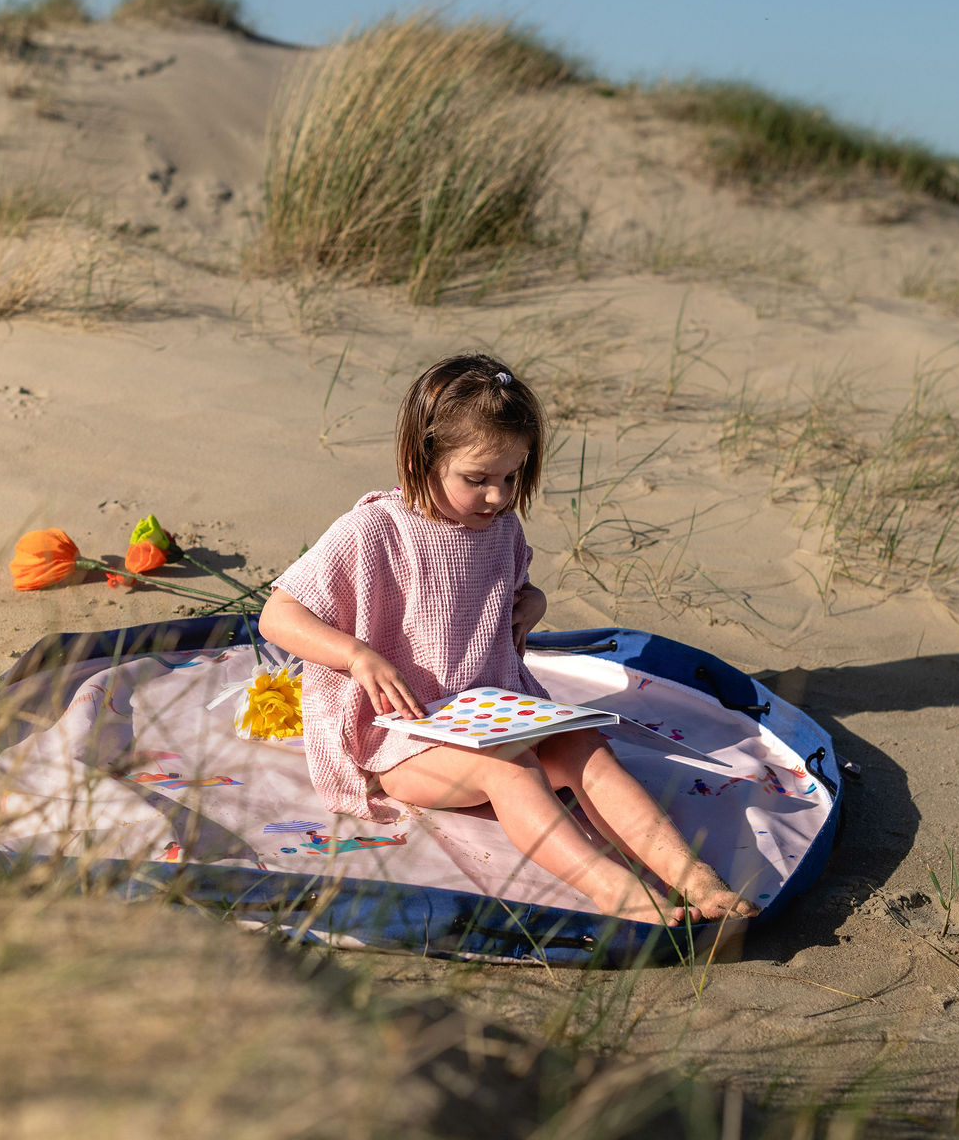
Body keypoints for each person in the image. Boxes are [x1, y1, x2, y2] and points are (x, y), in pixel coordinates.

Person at [259, 352, 758, 925]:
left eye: (510, 477)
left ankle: (694, 878)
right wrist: (356, 654)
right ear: (422, 458)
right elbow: (279, 614)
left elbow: (508, 589)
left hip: (492, 713)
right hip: (400, 736)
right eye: (477, 479)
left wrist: (534, 601)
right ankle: (608, 887)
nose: (497, 496)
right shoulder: (375, 529)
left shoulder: (499, 529)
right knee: (509, 770)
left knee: (585, 747)